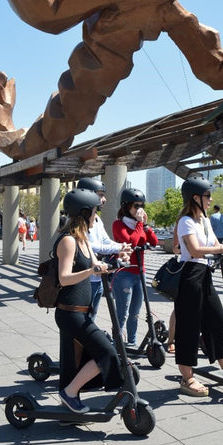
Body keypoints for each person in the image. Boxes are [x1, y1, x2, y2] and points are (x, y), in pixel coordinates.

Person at [175, 176, 223, 397]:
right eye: (207, 195)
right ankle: (187, 377)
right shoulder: (186, 221)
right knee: (189, 326)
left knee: (218, 319)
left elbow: (215, 244)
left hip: (205, 274)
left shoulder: (204, 221)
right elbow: (195, 250)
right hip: (190, 275)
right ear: (195, 198)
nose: (210, 199)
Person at [56, 188, 123, 414]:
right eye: (95, 212)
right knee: (106, 352)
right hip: (69, 313)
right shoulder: (68, 241)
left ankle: (67, 404)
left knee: (71, 362)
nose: (96, 216)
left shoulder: (83, 240)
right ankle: (69, 393)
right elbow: (64, 278)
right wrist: (91, 270)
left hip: (81, 312)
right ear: (84, 213)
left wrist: (114, 262)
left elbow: (95, 266)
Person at [76, 177, 131, 319]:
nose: (104, 199)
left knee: (91, 319)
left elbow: (105, 241)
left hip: (98, 277)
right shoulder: (79, 222)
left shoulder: (97, 219)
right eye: (100, 195)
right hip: (85, 278)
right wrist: (116, 249)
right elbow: (89, 245)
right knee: (84, 319)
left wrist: (122, 247)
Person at [112, 188, 158, 347]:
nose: (139, 209)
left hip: (140, 273)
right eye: (136, 206)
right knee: (122, 313)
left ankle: (131, 343)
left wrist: (145, 225)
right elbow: (130, 241)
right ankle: (117, 342)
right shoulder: (118, 224)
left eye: (141, 205)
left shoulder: (139, 225)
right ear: (126, 207)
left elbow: (154, 242)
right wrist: (139, 224)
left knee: (135, 313)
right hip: (124, 274)